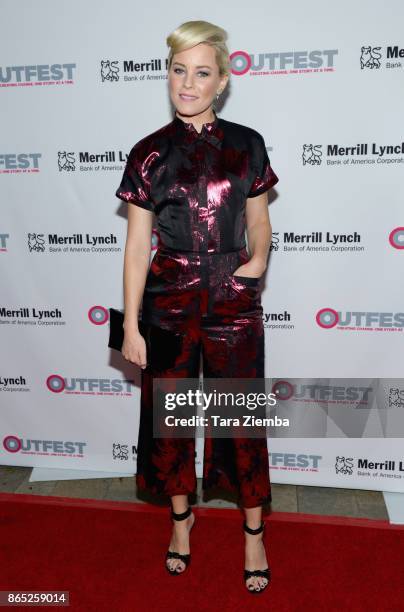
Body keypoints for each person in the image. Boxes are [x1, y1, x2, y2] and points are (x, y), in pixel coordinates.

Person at [115, 20, 279, 594]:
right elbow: (138, 246)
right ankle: (181, 525)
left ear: (222, 81)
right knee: (173, 422)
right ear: (168, 73)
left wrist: (257, 260)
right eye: (178, 69)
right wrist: (131, 324)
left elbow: (259, 220)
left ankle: (253, 534)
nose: (187, 83)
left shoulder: (248, 144)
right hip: (167, 300)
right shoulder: (148, 152)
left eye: (201, 72)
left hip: (233, 298)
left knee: (241, 420)